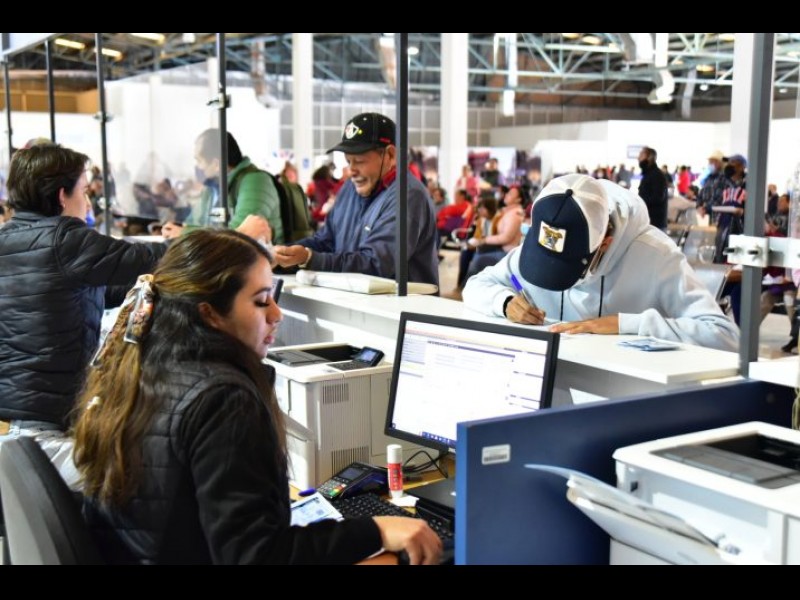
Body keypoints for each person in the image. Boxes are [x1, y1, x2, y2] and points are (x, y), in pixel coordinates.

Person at [71, 229, 442, 565]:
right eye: (262, 301)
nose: (277, 314)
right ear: (210, 314)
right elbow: (255, 555)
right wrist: (375, 530)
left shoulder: (142, 369)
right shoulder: (223, 399)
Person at [0, 144, 167, 475]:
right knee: (139, 476)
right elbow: (147, 258)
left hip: (15, 419)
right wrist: (222, 240)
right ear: (62, 196)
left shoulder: (8, 240)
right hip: (43, 427)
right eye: (84, 191)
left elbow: (88, 291)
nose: (88, 201)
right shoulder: (64, 238)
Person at [462, 174, 740, 352]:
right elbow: (475, 286)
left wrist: (624, 324)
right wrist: (504, 302)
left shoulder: (656, 256)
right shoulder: (545, 237)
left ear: (604, 243)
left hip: (624, 401)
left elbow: (724, 336)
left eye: (568, 263)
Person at [273, 113, 439, 286]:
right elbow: (325, 241)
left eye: (359, 161)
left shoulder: (408, 197)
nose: (351, 170)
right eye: (348, 161)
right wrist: (282, 255)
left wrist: (309, 259)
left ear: (390, 155)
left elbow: (375, 265)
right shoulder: (349, 189)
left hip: (399, 303)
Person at [162, 129, 283, 243]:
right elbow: (195, 222)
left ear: (216, 164)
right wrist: (175, 230)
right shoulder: (212, 188)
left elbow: (241, 235)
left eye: (199, 161)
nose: (197, 167)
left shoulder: (255, 181)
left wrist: (185, 233)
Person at [637, 146, 668, 230]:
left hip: (655, 224)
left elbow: (658, 197)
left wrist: (640, 201)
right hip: (649, 221)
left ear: (649, 157)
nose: (638, 158)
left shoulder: (656, 175)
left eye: (641, 155)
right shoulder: (648, 174)